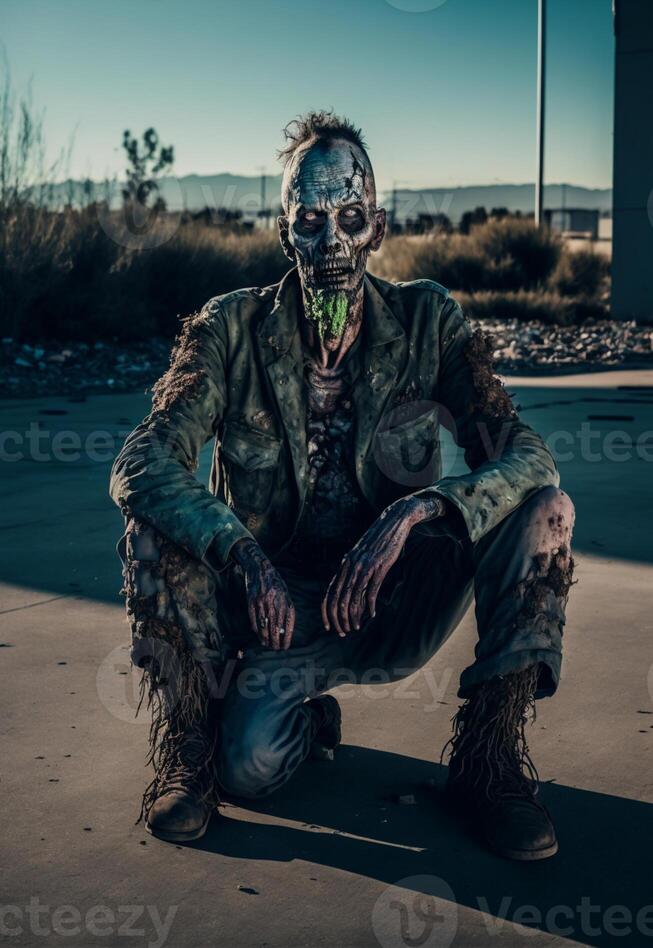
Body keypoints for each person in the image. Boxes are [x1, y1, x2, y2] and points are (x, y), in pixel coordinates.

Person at [111, 111, 575, 861]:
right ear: (284, 231)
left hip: (398, 597)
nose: (330, 243)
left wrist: (418, 511)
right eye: (309, 222)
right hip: (278, 612)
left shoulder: (428, 319)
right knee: (248, 768)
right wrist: (240, 554)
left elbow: (525, 455)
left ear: (377, 228)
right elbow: (142, 463)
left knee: (544, 511)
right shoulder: (228, 328)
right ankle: (196, 756)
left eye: (349, 219)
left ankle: (487, 768)